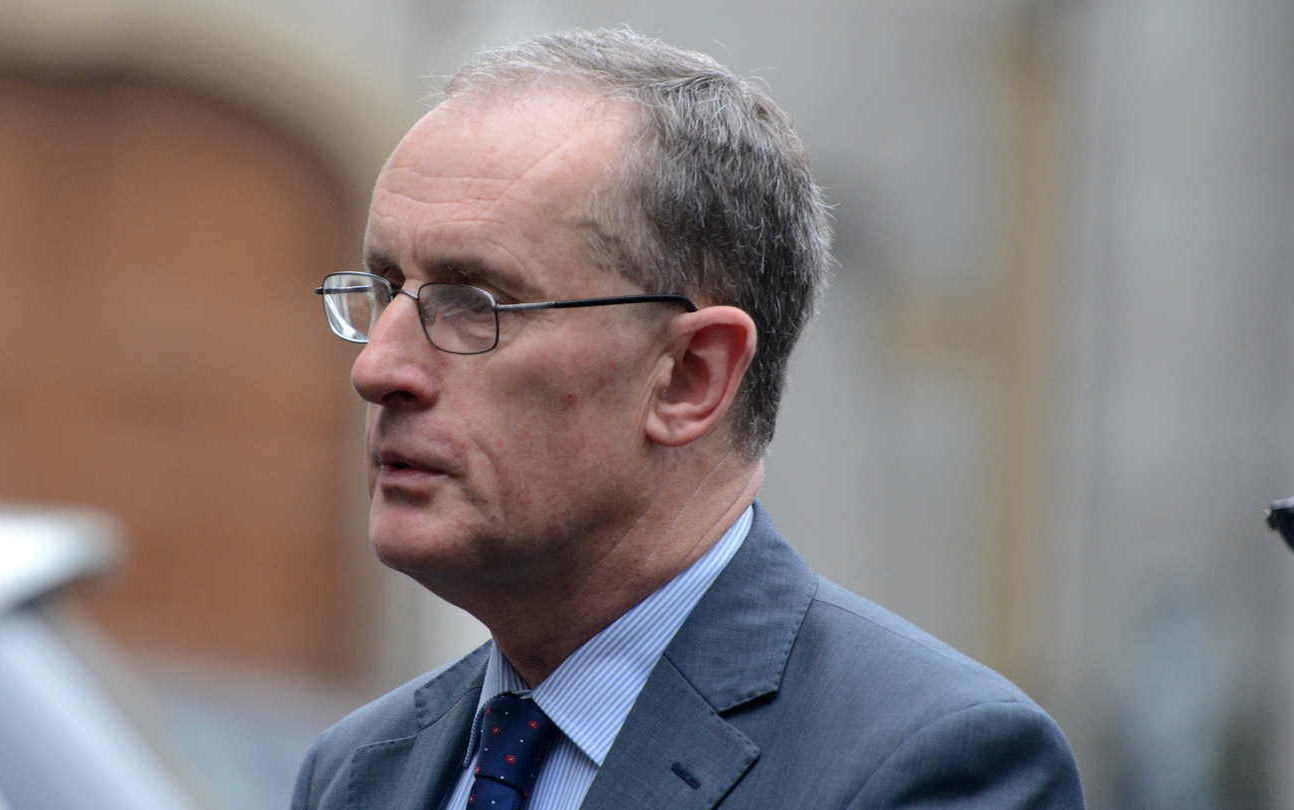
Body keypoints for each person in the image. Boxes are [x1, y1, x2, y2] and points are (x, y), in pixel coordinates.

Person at [293, 27, 1083, 810]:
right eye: (386, 289)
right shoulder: (356, 771)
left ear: (689, 378)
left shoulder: (927, 765)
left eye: (476, 304)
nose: (376, 370)